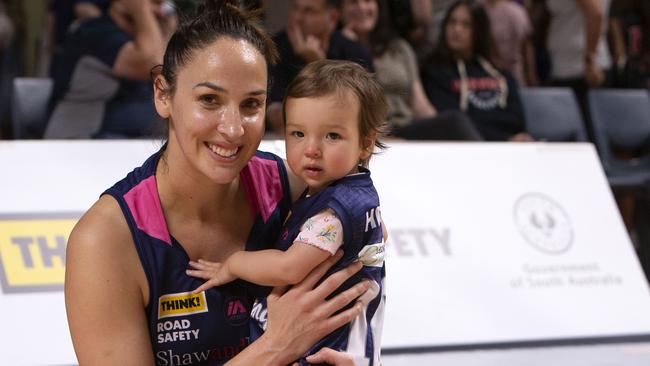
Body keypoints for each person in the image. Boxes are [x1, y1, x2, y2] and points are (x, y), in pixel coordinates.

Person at [64, 1, 370, 365]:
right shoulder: (105, 240)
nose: (233, 128)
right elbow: (283, 342)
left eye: (251, 104)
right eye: (210, 100)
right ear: (163, 94)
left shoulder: (294, 188)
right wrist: (275, 347)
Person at [187, 60, 387, 365]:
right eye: (297, 134)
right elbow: (380, 234)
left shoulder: (332, 216)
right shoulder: (350, 191)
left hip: (320, 354)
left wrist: (234, 264)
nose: (311, 149)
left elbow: (288, 268)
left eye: (332, 136)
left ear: (365, 143)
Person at [341, 0, 482, 140]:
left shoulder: (398, 48)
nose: (362, 7)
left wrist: (439, 124)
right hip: (368, 134)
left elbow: (419, 103)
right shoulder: (336, 50)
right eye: (353, 2)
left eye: (368, 1)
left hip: (404, 128)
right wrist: (347, 45)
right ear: (341, 10)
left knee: (454, 122)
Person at [44, 0, 176, 139]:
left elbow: (168, 72)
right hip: (79, 138)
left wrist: (167, 27)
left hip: (122, 137)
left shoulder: (142, 41)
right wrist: (141, 9)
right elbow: (154, 65)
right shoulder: (95, 32)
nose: (159, 9)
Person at [421, 0, 533, 141]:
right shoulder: (435, 72)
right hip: (463, 149)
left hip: (506, 148)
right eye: (452, 22)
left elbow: (516, 120)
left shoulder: (500, 74)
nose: (457, 29)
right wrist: (504, 137)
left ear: (479, 30)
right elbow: (455, 123)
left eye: (466, 24)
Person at [266, 0, 373, 134]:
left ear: (332, 18)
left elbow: (359, 114)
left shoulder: (355, 52)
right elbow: (276, 117)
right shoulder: (273, 48)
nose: (297, 17)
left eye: (309, 11)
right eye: (295, 9)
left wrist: (316, 64)